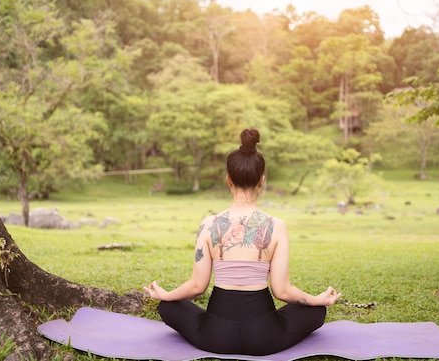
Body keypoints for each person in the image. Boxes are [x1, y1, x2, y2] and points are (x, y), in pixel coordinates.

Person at [144, 128, 340, 356]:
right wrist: (316, 300)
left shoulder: (209, 224)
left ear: (228, 180)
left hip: (215, 336)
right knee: (316, 312)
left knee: (168, 306)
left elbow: (197, 287)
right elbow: (282, 291)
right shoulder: (277, 226)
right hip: (264, 338)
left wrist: (165, 295)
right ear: (261, 181)